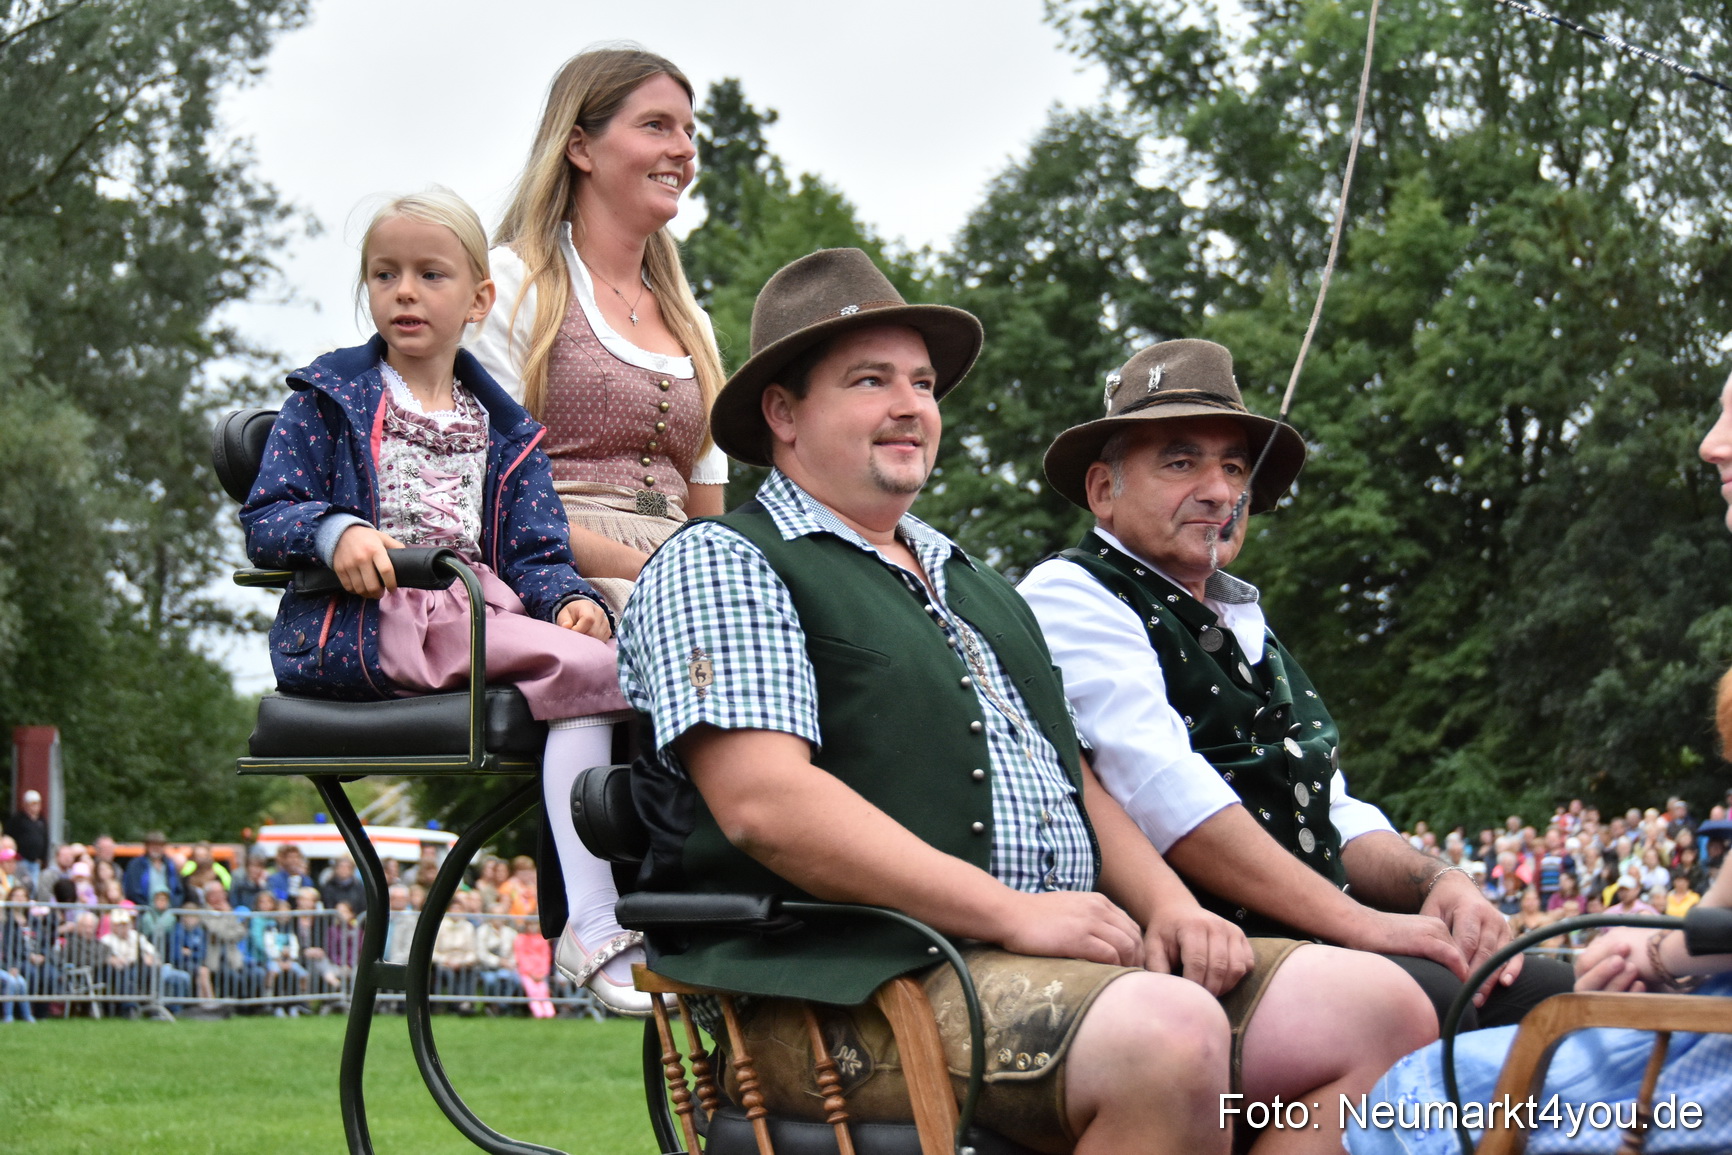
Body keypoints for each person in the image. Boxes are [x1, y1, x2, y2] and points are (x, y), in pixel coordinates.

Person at [617, 249, 1434, 1153]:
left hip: (1049, 960)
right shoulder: (723, 559)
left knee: (1381, 1011)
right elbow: (767, 804)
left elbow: (1073, 778)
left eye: (923, 383)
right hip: (839, 989)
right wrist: (1012, 912)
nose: (909, 405)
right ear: (783, 411)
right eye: (869, 381)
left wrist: (1170, 907)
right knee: (1168, 1035)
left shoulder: (976, 584)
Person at [1018, 337, 1573, 1032]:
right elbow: (1162, 789)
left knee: (1573, 995)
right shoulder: (1073, 591)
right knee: (1550, 1016)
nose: (1220, 490)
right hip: (1184, 973)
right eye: (1181, 460)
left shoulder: (1246, 625)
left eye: (1234, 466)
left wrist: (1440, 882)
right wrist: (1364, 924)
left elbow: (1332, 809)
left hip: (1310, 952)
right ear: (1104, 489)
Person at [239, 187, 629, 986]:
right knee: (599, 674)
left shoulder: (505, 426)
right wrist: (336, 530)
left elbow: (536, 553)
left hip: (477, 611)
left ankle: (641, 897)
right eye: (385, 275)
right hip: (375, 621)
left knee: (622, 655)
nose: (405, 292)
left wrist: (568, 601)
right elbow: (269, 514)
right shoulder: (328, 402)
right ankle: (590, 921)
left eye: (429, 274)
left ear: (480, 298)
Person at [465, 46, 727, 1015]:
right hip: (546, 551)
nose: (682, 149)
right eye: (656, 125)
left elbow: (708, 499)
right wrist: (642, 566)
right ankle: (597, 917)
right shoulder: (511, 284)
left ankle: (766, 899)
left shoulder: (683, 313)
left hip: (672, 558)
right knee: (635, 624)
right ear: (580, 144)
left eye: (688, 132)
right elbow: (484, 481)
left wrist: (718, 570)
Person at [121, 831, 184, 908]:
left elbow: (178, 891)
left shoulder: (170, 865)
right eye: (152, 845)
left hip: (168, 911)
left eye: (159, 845)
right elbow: (132, 891)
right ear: (146, 846)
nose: (156, 848)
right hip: (143, 910)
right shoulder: (136, 865)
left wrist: (172, 906)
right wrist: (146, 907)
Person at [6, 791, 47, 886]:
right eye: (32, 804)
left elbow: (45, 840)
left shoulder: (41, 820)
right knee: (22, 884)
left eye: (37, 804)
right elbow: (9, 837)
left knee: (34, 885)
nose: (35, 807)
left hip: (36, 861)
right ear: (26, 805)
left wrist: (42, 858)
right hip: (22, 860)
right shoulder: (18, 819)